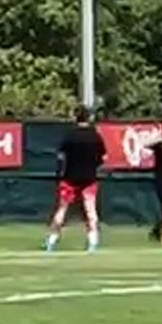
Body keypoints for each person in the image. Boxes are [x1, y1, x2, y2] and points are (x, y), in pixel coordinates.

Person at [45, 106, 107, 253]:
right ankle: (93, 242)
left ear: (75, 117)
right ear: (89, 118)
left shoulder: (70, 136)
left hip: (70, 177)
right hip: (89, 177)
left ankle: (51, 241)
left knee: (62, 210)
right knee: (90, 210)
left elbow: (60, 156)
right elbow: (103, 157)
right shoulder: (95, 136)